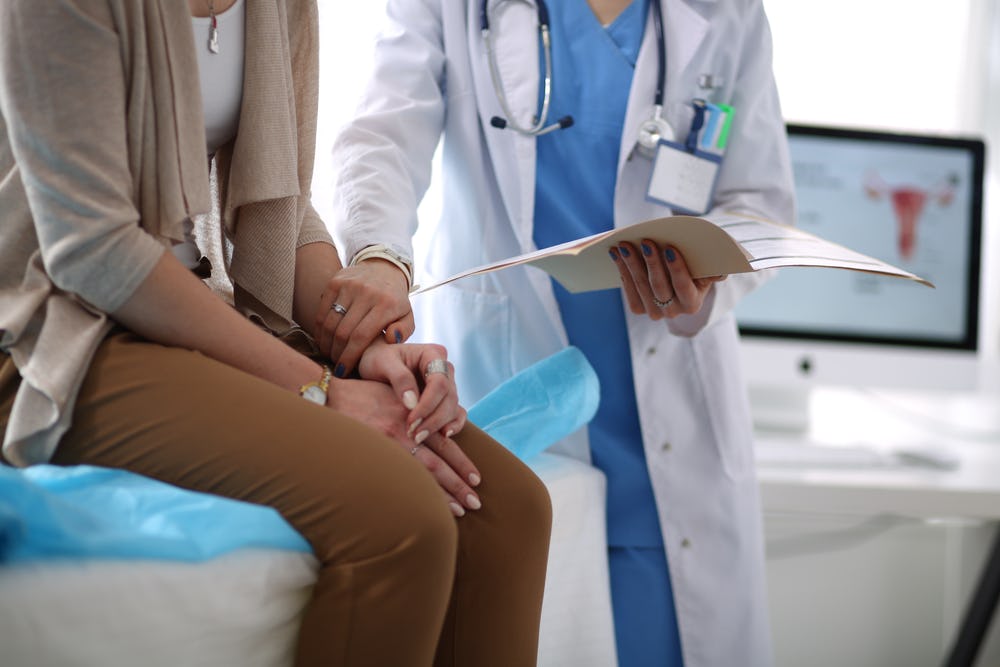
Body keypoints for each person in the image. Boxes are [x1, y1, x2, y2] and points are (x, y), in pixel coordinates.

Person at [0, 1, 552, 666]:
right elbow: (94, 249)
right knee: (400, 518)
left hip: (196, 313)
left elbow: (280, 200)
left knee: (510, 512)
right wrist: (322, 390)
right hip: (57, 334)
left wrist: (363, 345)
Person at [327, 1, 795, 665]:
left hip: (663, 436)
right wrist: (378, 252)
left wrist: (710, 276)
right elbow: (381, 134)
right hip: (513, 396)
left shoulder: (728, 12)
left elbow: (760, 202)